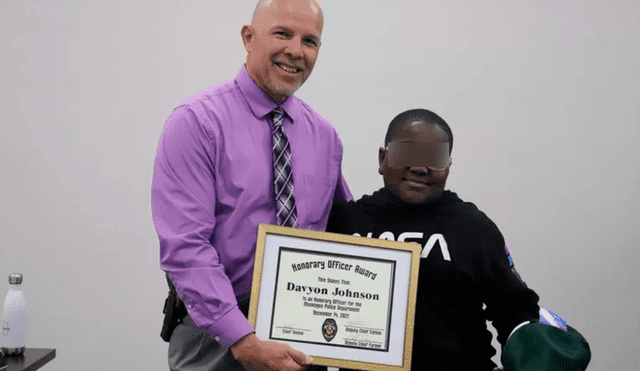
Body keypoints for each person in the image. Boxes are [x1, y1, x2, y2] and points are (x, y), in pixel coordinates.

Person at [151, 0, 351, 370]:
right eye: (283, 33)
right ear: (248, 37)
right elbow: (185, 246)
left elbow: (345, 233)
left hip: (303, 334)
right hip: (214, 335)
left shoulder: (325, 137)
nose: (296, 50)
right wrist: (241, 337)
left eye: (310, 40)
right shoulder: (196, 124)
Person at [327, 109, 590, 370]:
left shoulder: (473, 227)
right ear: (383, 158)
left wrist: (536, 353)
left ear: (448, 167)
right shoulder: (342, 224)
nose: (420, 168)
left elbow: (515, 311)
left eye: (435, 158)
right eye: (407, 152)